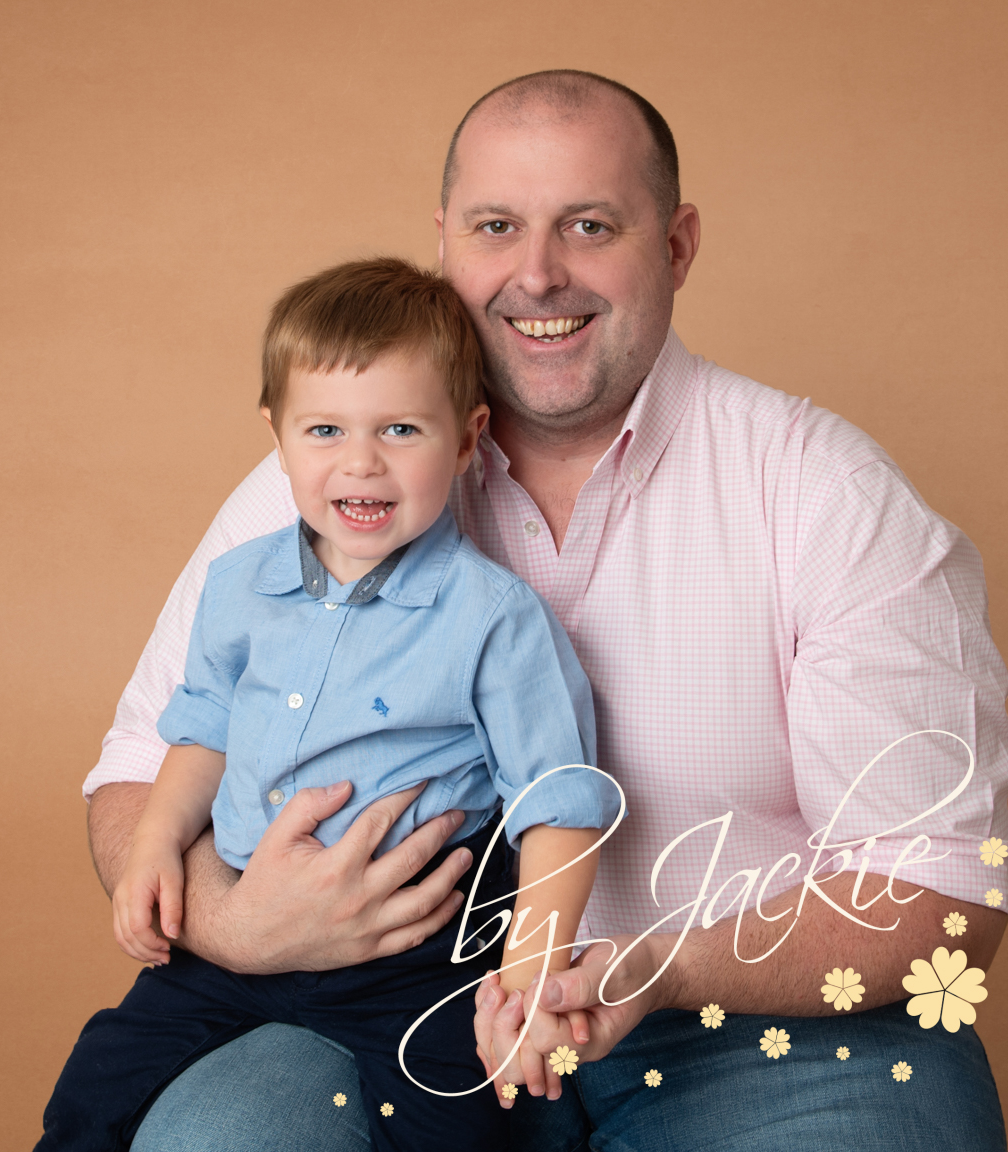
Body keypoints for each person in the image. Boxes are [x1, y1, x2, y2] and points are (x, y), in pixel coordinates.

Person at [85, 71, 1008, 1151]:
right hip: (366, 1010)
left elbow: (938, 892)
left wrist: (659, 969)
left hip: (749, 1026)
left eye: (588, 225)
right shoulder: (331, 483)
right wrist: (236, 923)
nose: (537, 274)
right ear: (446, 243)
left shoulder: (825, 495)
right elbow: (138, 770)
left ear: (676, 245)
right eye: (497, 226)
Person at [41, 259, 618, 1151]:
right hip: (237, 941)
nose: (361, 462)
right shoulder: (241, 584)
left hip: (416, 955)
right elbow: (204, 729)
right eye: (324, 429)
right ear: (277, 436)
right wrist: (155, 844)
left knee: (462, 1126)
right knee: (96, 1085)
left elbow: (561, 804)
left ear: (466, 440)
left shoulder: (492, 619)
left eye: (399, 429)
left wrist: (528, 973)